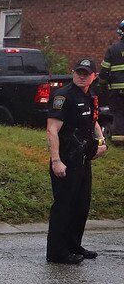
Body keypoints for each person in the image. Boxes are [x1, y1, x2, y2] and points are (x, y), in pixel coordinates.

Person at [46, 59, 108, 264]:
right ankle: (57, 253)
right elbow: (52, 129)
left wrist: (101, 142)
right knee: (64, 206)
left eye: (86, 73)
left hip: (84, 159)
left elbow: (94, 121)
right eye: (78, 72)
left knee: (81, 205)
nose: (81, 76)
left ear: (94, 76)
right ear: (73, 72)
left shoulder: (90, 95)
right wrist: (56, 160)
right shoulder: (63, 96)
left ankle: (73, 245)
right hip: (66, 160)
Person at [98, 20, 124, 144]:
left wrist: (102, 86)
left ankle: (119, 142)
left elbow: (104, 72)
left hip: (118, 91)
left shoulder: (113, 49)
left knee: (119, 114)